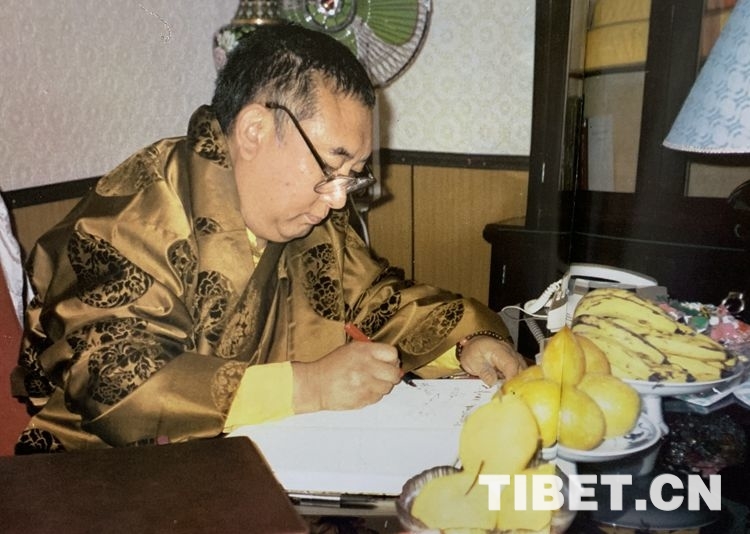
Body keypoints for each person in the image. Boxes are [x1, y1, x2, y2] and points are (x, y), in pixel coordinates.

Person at [11, 23, 524, 454]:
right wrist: (309, 386)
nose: (338, 199)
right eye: (330, 168)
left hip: (252, 463)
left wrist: (465, 344)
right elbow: (116, 382)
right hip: (101, 481)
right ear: (254, 131)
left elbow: (374, 300)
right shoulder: (134, 216)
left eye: (351, 176)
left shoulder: (309, 217)